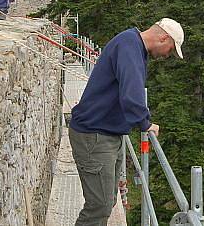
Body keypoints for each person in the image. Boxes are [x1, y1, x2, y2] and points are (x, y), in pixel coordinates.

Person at [69, 18, 185, 225]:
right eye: (171, 49)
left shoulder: (131, 44)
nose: (168, 55)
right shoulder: (130, 46)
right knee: (99, 206)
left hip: (104, 133)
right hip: (94, 135)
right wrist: (145, 123)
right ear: (163, 37)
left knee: (107, 201)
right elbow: (132, 93)